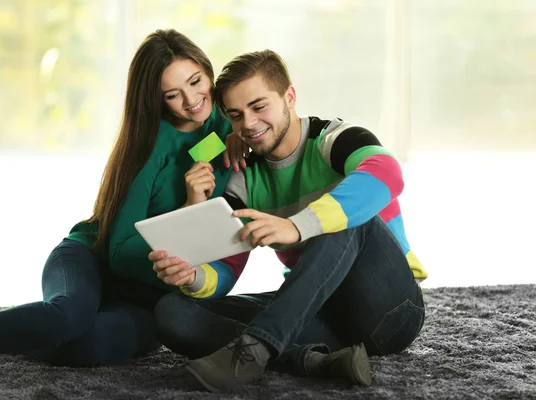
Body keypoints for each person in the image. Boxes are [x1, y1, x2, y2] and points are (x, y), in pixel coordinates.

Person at [0, 29, 247, 367]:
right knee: (66, 319)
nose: (191, 100)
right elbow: (120, 252)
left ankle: (25, 325)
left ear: (207, 69)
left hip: (151, 299)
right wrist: (189, 209)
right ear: (157, 99)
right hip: (92, 260)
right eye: (173, 94)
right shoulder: (150, 145)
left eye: (196, 81)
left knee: (92, 346)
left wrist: (236, 132)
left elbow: (251, 124)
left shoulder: (229, 126)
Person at [151, 49, 428, 392]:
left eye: (259, 106)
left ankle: (256, 351)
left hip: (389, 312)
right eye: (236, 115)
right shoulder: (244, 180)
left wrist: (297, 225)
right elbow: (227, 266)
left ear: (290, 97)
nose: (249, 124)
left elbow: (388, 172)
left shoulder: (333, 139)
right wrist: (193, 276)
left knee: (348, 219)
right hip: (317, 318)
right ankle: (313, 360)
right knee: (172, 312)